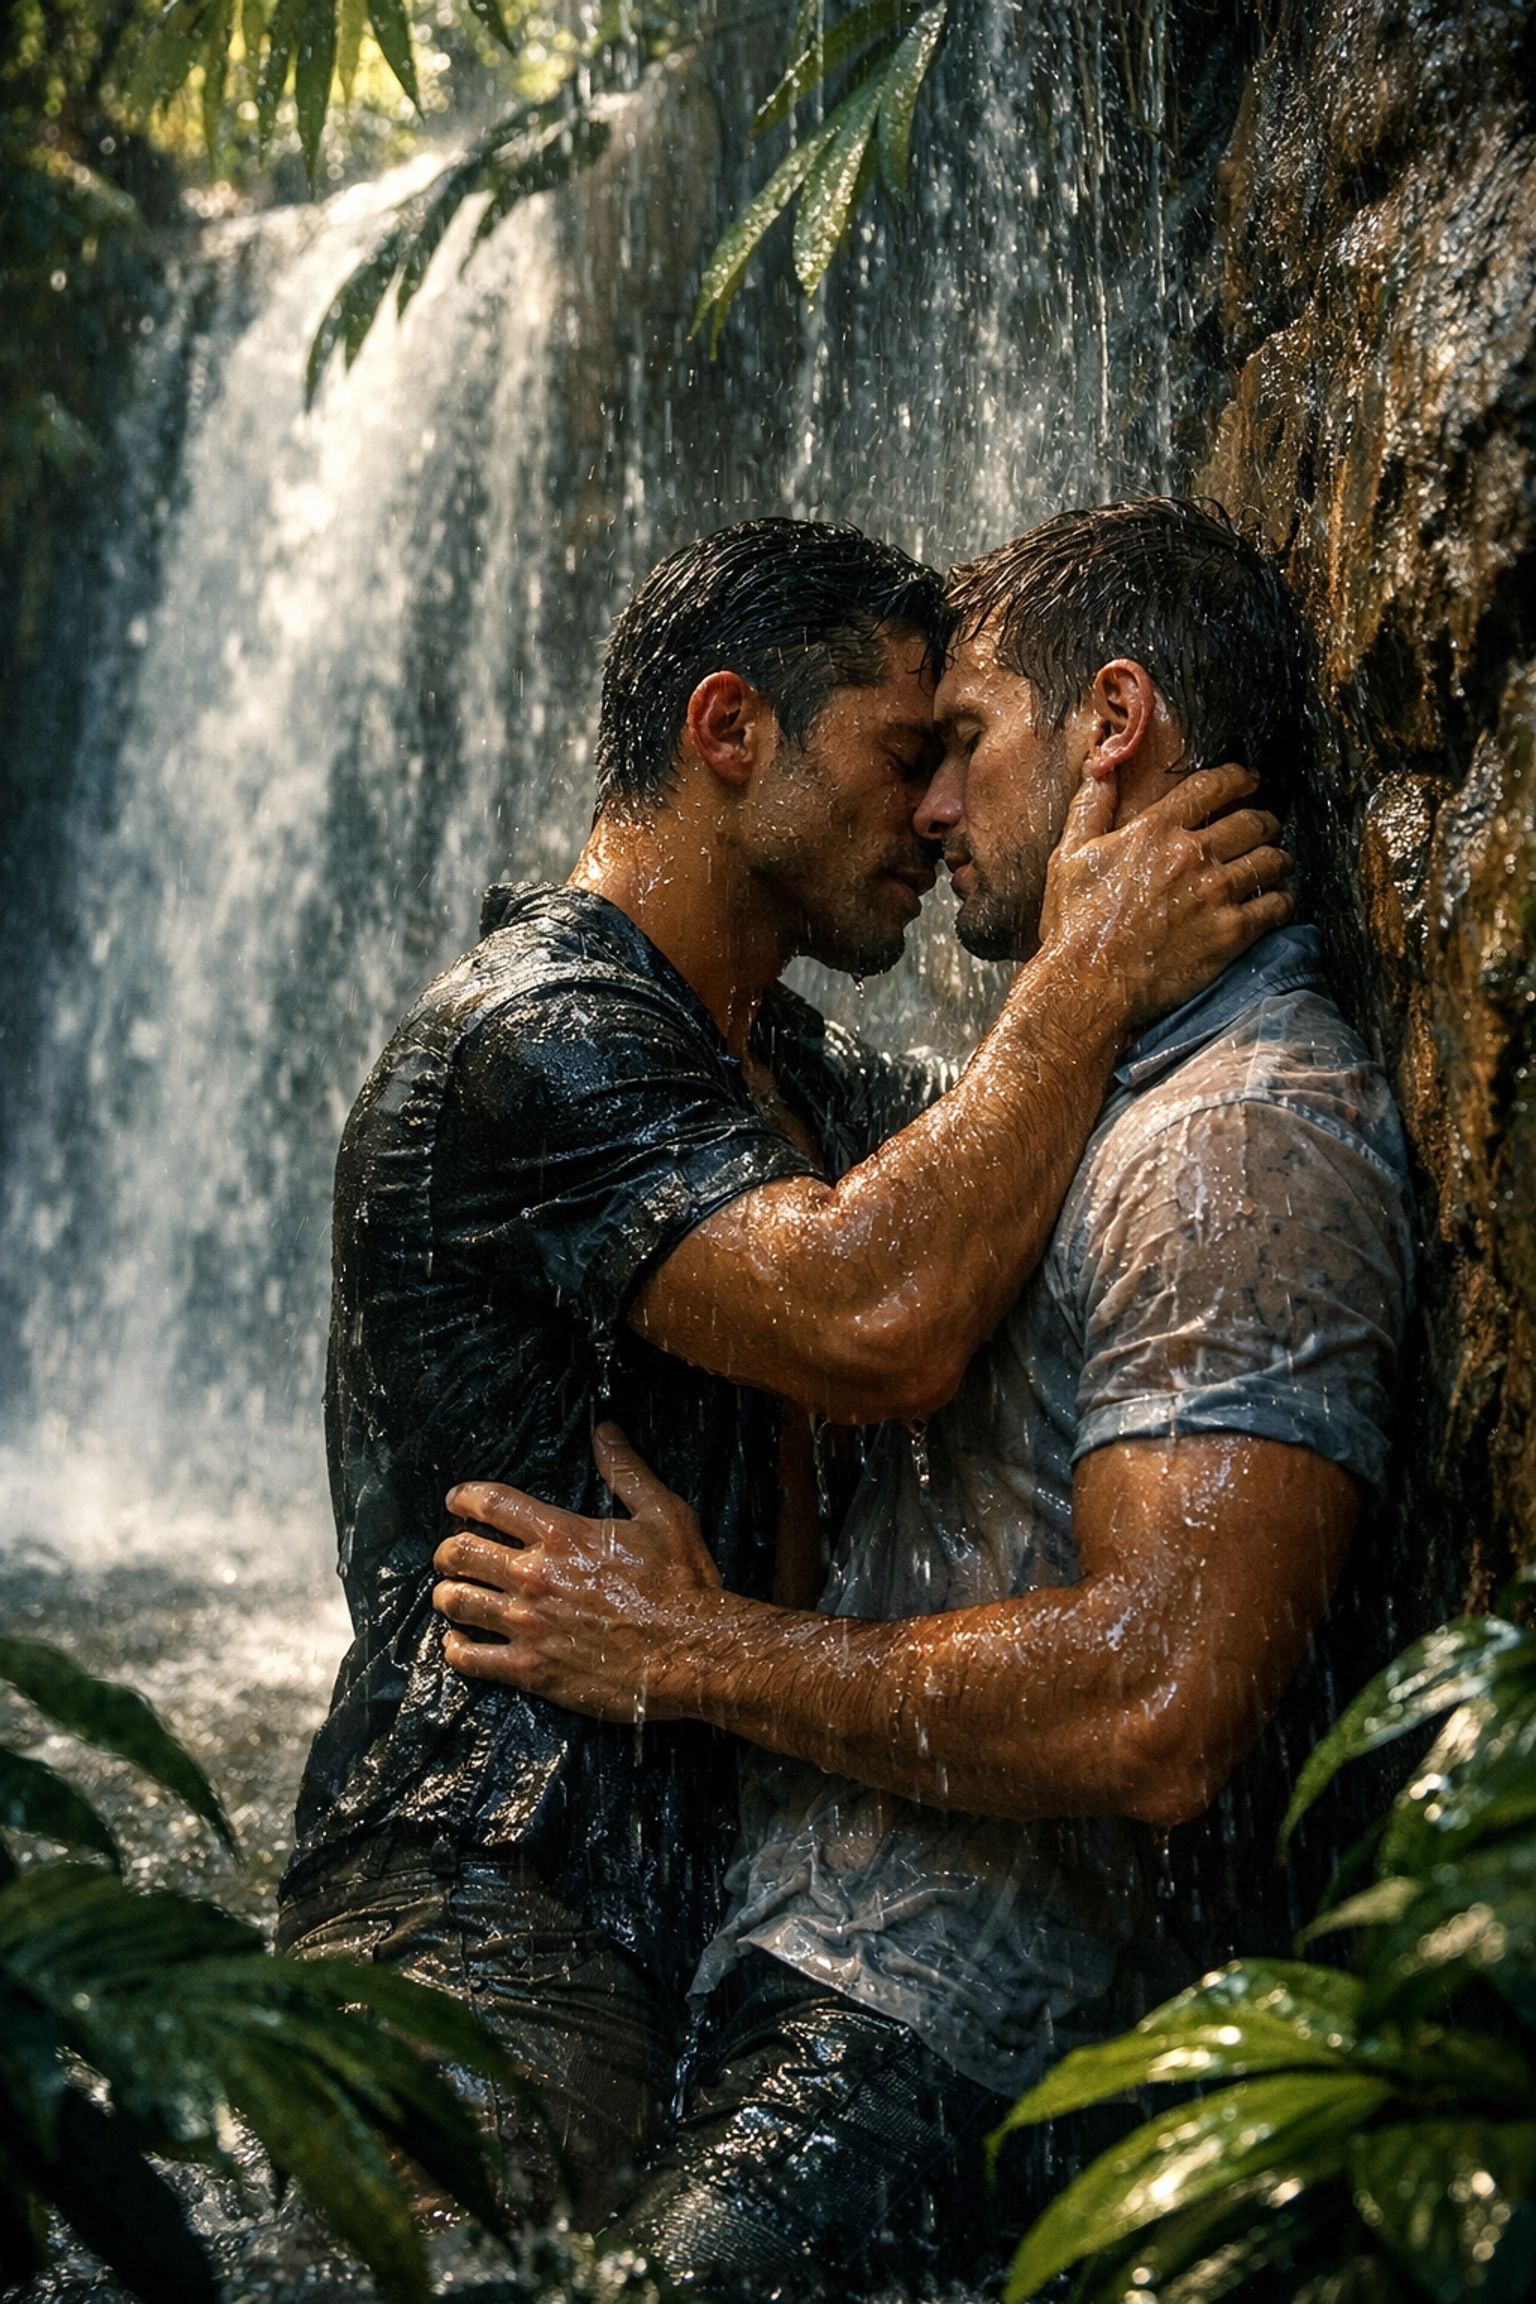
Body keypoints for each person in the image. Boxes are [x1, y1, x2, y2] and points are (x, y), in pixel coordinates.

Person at [429, 498, 1415, 2293]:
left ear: (1111, 728)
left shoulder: (1238, 1133)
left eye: (961, 746)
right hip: (782, 1963)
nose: (931, 811)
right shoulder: (1068, 1091)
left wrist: (691, 1648)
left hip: (931, 2039)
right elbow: (866, 1269)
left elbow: (1160, 1705)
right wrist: (1084, 984)